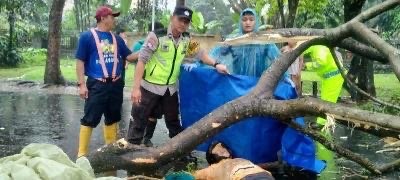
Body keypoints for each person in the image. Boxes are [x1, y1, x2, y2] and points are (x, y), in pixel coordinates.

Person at [126, 5, 228, 145]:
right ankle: (131, 153)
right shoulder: (157, 36)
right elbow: (141, 61)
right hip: (149, 87)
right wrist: (136, 89)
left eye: (186, 22)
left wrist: (216, 64)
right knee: (138, 121)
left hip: (170, 89)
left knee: (173, 122)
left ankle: (178, 152)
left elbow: (201, 54)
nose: (183, 24)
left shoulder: (186, 39)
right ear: (172, 18)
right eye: (180, 20)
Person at [75, 5, 138, 158]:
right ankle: (81, 154)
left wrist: (147, 50)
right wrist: (82, 85)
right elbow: (80, 61)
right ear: (103, 18)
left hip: (116, 84)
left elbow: (129, 57)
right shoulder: (87, 37)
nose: (114, 19)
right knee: (90, 118)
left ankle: (110, 150)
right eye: (112, 16)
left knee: (113, 117)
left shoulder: (117, 39)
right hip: (97, 84)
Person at [302, 45, 344, 178]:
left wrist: (307, 65)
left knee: (328, 103)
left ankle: (322, 125)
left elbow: (320, 62)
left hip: (334, 76)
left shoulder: (318, 48)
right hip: (328, 77)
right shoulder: (314, 48)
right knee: (324, 101)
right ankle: (322, 123)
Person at [130, 22, 167, 147]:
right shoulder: (140, 44)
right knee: (139, 114)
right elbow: (133, 58)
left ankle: (147, 139)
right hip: (144, 83)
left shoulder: (165, 43)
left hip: (159, 86)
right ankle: (133, 142)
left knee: (154, 114)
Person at [193, 142, 275, 180]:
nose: (222, 150)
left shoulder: (216, 168)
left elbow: (193, 176)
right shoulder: (215, 168)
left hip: (253, 176)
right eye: (219, 151)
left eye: (222, 149)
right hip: (264, 176)